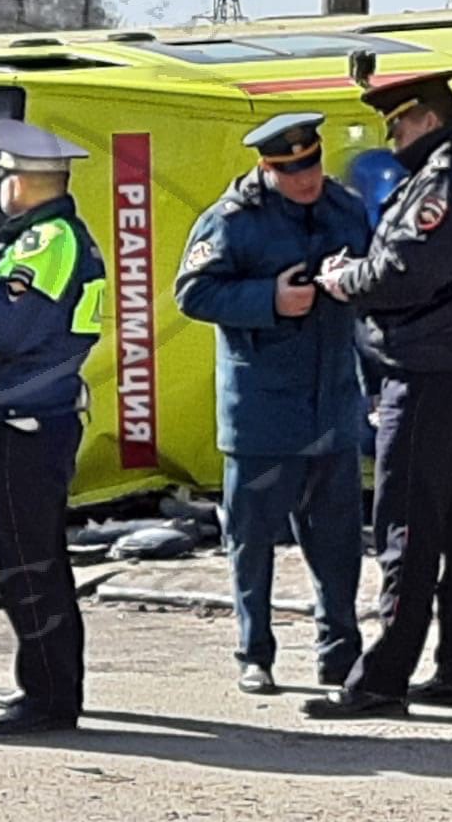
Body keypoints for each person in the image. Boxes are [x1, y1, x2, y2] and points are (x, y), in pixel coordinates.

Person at [307, 70, 452, 719]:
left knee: (406, 522)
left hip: (428, 368)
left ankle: (380, 679)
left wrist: (346, 279)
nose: (393, 136)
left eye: (398, 123)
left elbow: (410, 268)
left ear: (426, 119)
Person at [174, 113, 370, 695]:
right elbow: (193, 290)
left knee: (338, 543)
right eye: (291, 170)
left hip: (331, 404)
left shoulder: (344, 208)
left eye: (310, 164)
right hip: (262, 410)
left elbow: (379, 270)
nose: (305, 179)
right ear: (267, 167)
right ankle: (253, 652)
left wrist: (349, 280)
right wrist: (270, 299)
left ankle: (340, 654)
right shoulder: (234, 220)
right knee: (252, 541)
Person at [0, 118, 105, 735]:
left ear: (27, 183)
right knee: (28, 559)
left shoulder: (48, 241)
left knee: (30, 565)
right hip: (26, 421)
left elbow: (3, 333)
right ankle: (48, 684)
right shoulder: (35, 238)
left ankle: (50, 696)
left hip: (30, 424)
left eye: (5, 175)